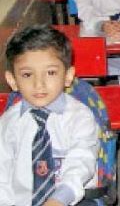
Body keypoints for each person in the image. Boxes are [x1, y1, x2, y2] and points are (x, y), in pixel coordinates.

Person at [0, 25, 99, 206]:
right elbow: (2, 174)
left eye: (51, 73)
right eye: (27, 74)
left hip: (72, 199)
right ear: (13, 80)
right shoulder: (8, 122)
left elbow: (81, 161)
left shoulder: (79, 117)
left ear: (68, 76)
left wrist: (59, 199)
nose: (39, 84)